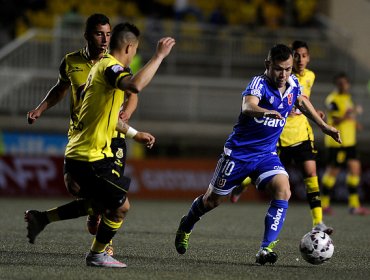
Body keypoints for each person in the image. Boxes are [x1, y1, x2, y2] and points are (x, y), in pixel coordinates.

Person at [25, 22, 175, 268]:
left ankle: (42, 218)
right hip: (89, 156)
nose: (134, 55)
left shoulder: (97, 69)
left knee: (103, 203)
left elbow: (107, 116)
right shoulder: (109, 68)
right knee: (120, 207)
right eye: (135, 51)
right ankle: (97, 254)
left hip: (87, 151)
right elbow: (135, 86)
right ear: (129, 47)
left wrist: (134, 134)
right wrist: (159, 56)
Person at [174, 44, 341, 265]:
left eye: (288, 69)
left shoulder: (293, 83)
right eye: (279, 69)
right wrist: (266, 111)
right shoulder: (258, 83)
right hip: (238, 154)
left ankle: (265, 249)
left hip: (266, 154)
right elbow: (248, 106)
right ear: (267, 65)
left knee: (284, 189)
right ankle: (187, 224)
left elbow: (301, 100)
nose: (283, 75)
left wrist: (323, 126)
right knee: (212, 201)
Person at [230, 41, 333, 234]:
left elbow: (303, 99)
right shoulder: (280, 78)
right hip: (279, 134)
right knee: (264, 171)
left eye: (304, 56)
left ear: (309, 58)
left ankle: (318, 222)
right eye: (297, 56)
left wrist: (317, 116)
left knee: (311, 174)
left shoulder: (309, 76)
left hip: (302, 133)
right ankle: (242, 183)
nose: (300, 59)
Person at [321, 72, 370, 215]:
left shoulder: (348, 98)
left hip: (350, 141)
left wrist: (355, 124)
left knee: (355, 170)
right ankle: (323, 204)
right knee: (333, 172)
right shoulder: (332, 100)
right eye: (340, 83)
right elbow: (334, 121)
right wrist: (349, 113)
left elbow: (349, 118)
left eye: (345, 82)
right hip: (337, 142)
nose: (343, 85)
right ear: (336, 84)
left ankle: (354, 205)